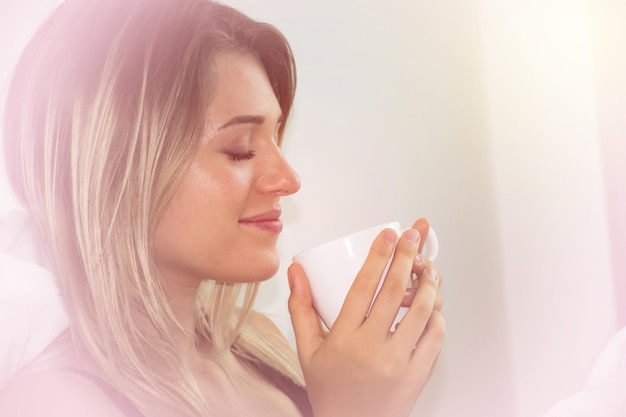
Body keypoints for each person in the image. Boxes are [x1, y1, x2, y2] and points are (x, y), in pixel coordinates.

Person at [0, 0, 445, 416]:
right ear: (111, 169)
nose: (288, 181)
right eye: (239, 149)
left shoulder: (261, 349)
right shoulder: (50, 402)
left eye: (276, 138)